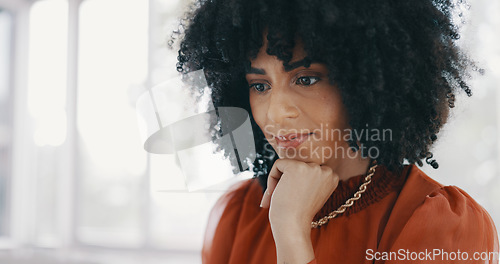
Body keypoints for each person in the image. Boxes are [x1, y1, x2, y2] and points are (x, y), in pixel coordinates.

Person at [172, 0, 499, 263]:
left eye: (306, 79)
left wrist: (291, 235)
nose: (275, 112)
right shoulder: (240, 214)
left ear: (365, 83)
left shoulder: (442, 226)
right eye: (259, 85)